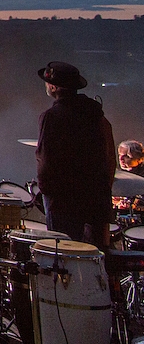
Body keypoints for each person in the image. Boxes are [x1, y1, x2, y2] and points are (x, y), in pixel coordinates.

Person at [35, 61, 115, 247]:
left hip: (64, 200)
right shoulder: (96, 114)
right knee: (97, 255)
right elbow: (109, 154)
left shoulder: (51, 116)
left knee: (65, 252)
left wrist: (46, 191)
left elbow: (46, 159)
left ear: (53, 86)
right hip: (96, 197)